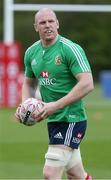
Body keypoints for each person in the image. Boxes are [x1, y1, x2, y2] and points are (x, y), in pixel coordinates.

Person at [15, 8, 94, 180]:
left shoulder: (70, 49)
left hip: (72, 118)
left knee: (50, 174)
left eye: (51, 21)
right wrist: (24, 106)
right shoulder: (31, 52)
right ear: (36, 27)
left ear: (57, 24)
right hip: (53, 121)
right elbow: (28, 82)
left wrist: (55, 106)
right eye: (42, 23)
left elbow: (87, 83)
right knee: (76, 175)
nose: (48, 25)